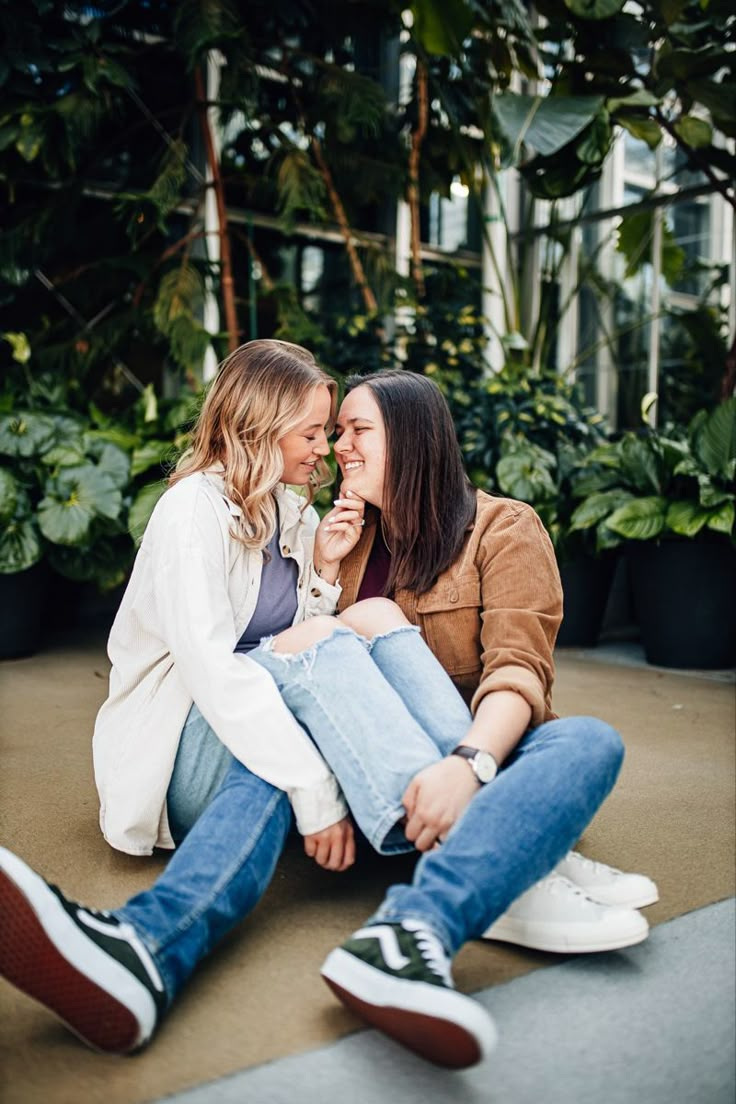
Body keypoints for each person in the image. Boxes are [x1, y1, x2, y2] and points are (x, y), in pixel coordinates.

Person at [0, 349, 653, 1068]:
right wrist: (318, 780)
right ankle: (511, 860)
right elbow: (240, 666)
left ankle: (145, 954)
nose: (331, 448)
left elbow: (503, 672)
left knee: (587, 740)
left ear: (410, 439)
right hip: (207, 733)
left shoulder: (310, 512)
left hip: (416, 752)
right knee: (328, 667)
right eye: (318, 431)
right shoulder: (196, 510)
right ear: (262, 425)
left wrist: (324, 581)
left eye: (345, 431)